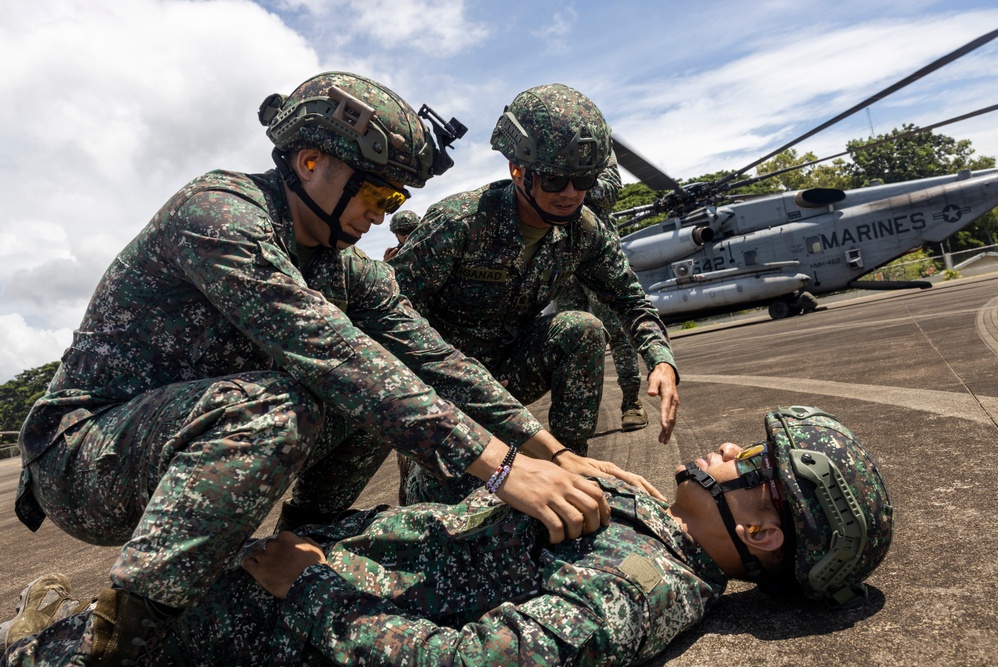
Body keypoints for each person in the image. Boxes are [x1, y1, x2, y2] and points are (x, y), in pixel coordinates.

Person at [10, 72, 649, 664]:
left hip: (181, 457)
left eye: (394, 195)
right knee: (298, 398)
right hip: (86, 460)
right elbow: (334, 352)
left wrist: (551, 452)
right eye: (376, 191)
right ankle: (121, 649)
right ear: (310, 162)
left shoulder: (345, 268)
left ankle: (303, 546)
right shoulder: (218, 214)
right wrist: (500, 469)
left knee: (384, 395)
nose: (382, 211)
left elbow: (435, 360)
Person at [2, 406, 894, 666]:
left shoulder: (647, 576)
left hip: (265, 622)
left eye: (757, 462)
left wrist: (305, 586)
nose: (732, 448)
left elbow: (480, 660)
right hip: (316, 570)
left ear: (766, 527)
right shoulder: (653, 525)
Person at [389, 83, 679, 503]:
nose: (570, 193)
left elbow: (631, 301)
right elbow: (386, 315)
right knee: (442, 510)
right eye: (555, 178)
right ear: (517, 170)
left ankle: (569, 471)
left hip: (507, 373)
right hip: (440, 386)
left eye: (582, 180)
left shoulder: (582, 232)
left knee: (581, 328)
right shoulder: (458, 224)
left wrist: (661, 360)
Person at [552, 151, 648, 432]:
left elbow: (609, 191)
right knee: (568, 336)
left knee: (617, 330)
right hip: (561, 256)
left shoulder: (598, 149)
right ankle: (574, 417)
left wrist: (567, 182)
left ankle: (632, 402)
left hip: (598, 255)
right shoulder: (545, 149)